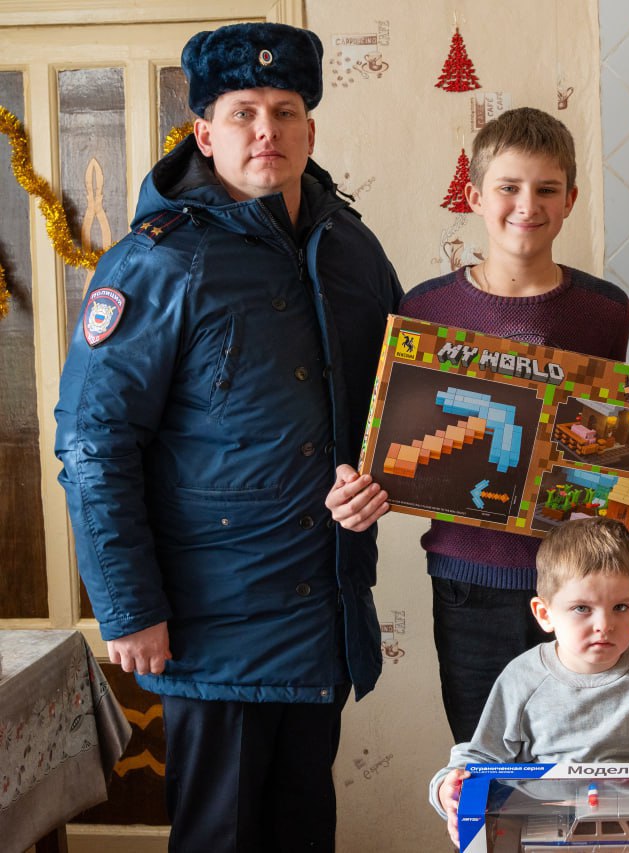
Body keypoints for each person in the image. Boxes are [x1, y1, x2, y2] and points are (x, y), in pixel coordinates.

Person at [52, 22, 402, 852]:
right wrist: (129, 606)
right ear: (204, 132)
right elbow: (94, 444)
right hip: (211, 622)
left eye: (285, 111)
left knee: (304, 834)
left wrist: (383, 477)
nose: (265, 130)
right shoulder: (154, 263)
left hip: (324, 617)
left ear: (310, 130)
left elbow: (399, 400)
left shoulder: (353, 249)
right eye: (243, 112)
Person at [329, 107, 629, 745]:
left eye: (547, 189)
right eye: (509, 187)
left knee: (577, 764)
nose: (528, 205)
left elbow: (609, 441)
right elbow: (397, 438)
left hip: (581, 585)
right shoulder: (425, 307)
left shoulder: (606, 310)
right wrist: (362, 488)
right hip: (470, 581)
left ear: (571, 199)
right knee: (484, 763)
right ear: (474, 197)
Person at [428, 518, 629, 846]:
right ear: (544, 614)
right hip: (545, 834)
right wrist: (446, 788)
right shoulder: (522, 677)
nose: (604, 624)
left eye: (621, 607)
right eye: (582, 608)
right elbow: (482, 757)